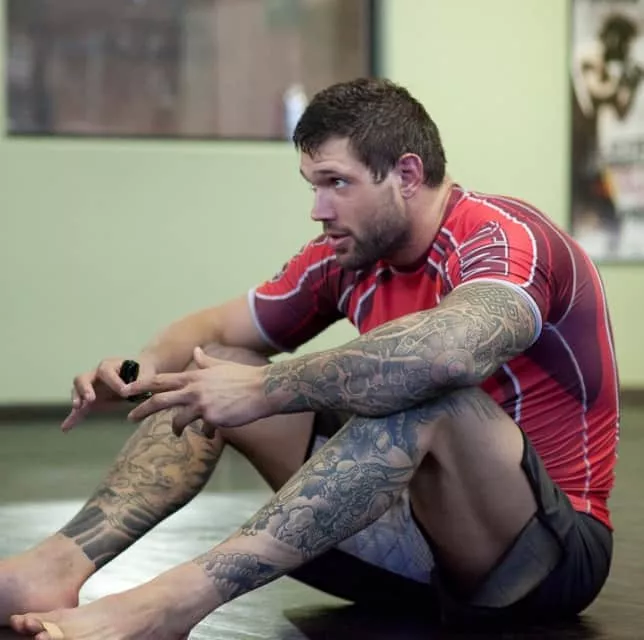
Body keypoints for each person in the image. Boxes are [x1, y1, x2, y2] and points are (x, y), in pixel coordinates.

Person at [3, 77, 618, 639]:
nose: (319, 209)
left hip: (542, 560)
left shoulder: (503, 239)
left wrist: (263, 389)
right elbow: (212, 327)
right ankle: (54, 567)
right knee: (216, 360)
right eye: (313, 186)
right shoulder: (346, 257)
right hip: (409, 546)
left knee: (425, 391)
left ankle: (169, 604)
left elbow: (449, 355)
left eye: (336, 183)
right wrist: (139, 367)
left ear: (406, 174)